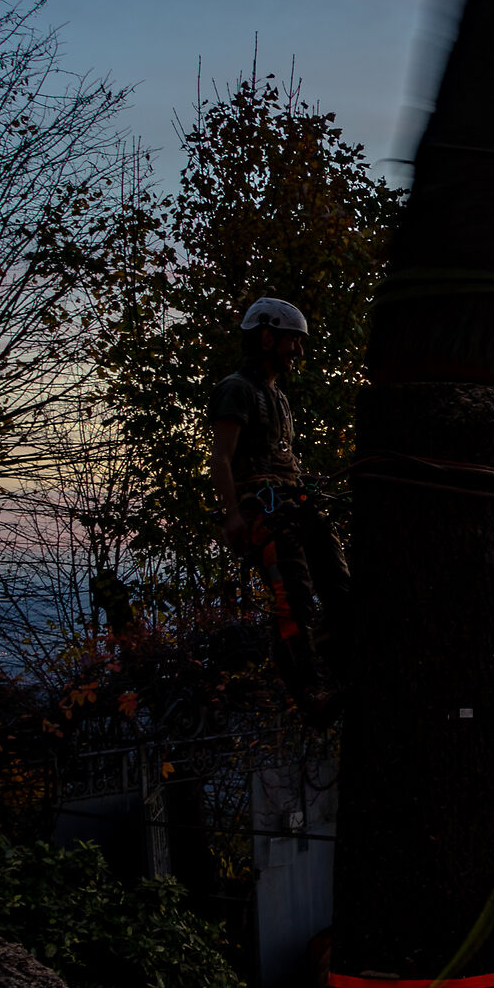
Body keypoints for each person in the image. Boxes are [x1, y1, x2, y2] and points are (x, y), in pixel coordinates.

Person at [210, 298, 351, 720]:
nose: (298, 352)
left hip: (294, 503)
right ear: (267, 336)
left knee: (340, 586)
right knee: (293, 600)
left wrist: (305, 481)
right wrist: (233, 514)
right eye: (293, 342)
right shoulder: (236, 389)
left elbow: (280, 456)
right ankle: (309, 692)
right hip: (265, 511)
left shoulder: (278, 397)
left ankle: (343, 671)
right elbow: (221, 458)